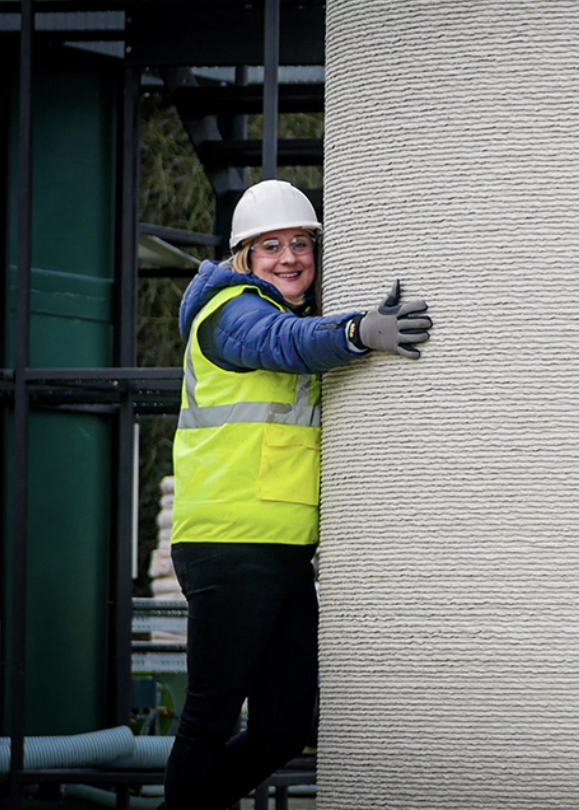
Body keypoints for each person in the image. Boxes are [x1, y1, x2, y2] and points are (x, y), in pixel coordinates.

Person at [165, 179, 433, 810]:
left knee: (284, 729)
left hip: (281, 552)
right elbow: (283, 346)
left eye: (300, 244)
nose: (290, 258)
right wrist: (357, 333)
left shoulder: (277, 310)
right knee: (208, 722)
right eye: (271, 247)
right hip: (228, 546)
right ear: (245, 259)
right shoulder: (232, 312)